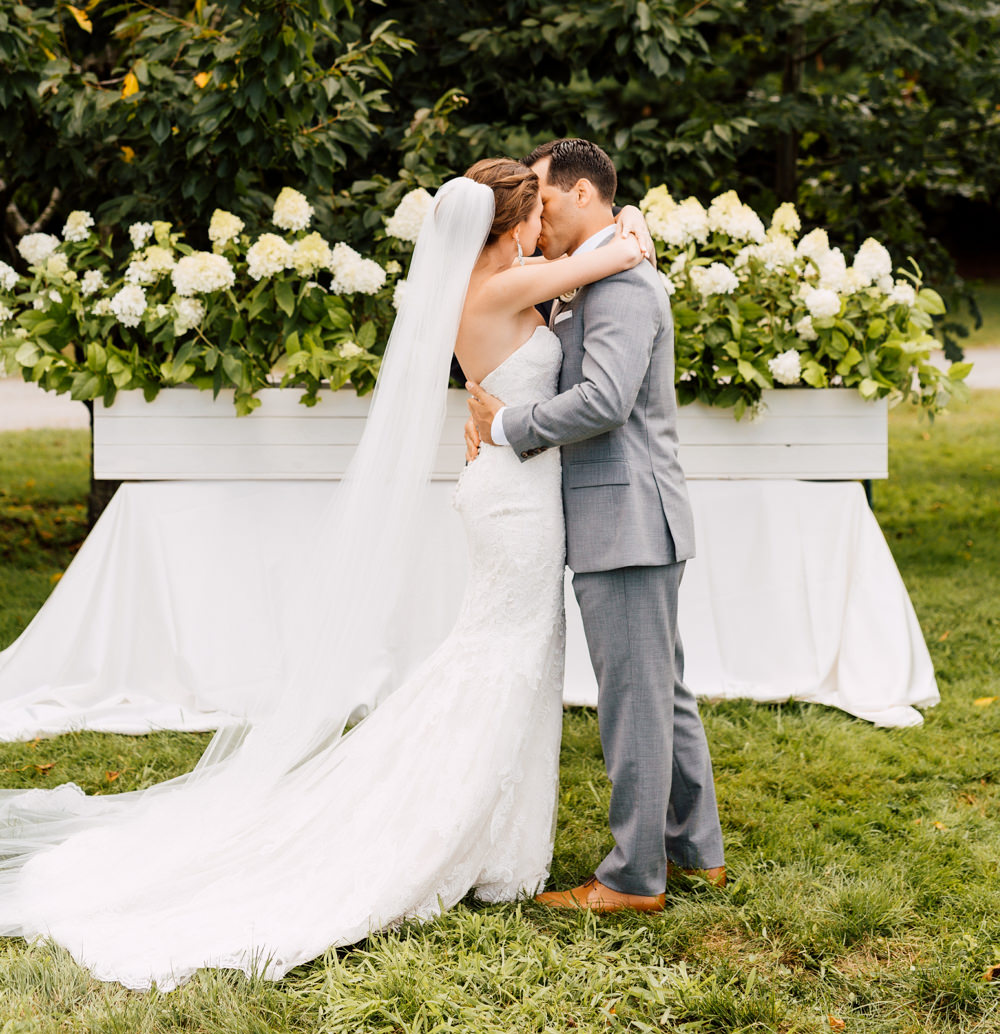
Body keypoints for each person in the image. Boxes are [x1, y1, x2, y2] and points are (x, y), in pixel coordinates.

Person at [0, 160, 650, 989]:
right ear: (512, 226)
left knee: (512, 654)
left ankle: (501, 840)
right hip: (514, 503)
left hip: (509, 485)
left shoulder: (490, 286)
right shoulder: (501, 289)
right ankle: (456, 832)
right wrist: (632, 223)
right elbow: (617, 253)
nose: (544, 227)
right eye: (535, 214)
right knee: (500, 657)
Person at [467, 138, 725, 913]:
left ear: (583, 194)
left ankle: (632, 880)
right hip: (624, 516)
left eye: (544, 198)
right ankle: (695, 854)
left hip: (628, 516)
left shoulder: (621, 285)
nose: (536, 214)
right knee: (659, 694)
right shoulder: (592, 273)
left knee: (635, 702)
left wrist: (507, 424)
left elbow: (606, 401)